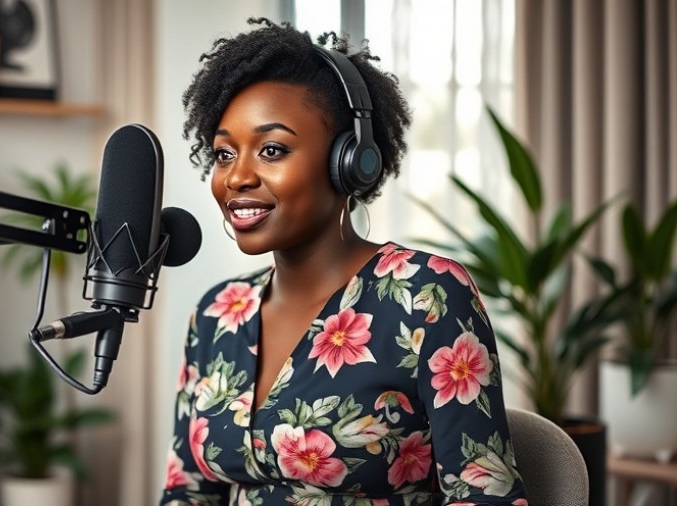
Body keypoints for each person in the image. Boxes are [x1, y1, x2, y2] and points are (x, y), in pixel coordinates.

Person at [160, 17, 529, 506]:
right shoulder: (216, 314)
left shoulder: (427, 296)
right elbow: (187, 491)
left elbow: (485, 495)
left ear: (349, 161)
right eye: (225, 154)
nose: (237, 177)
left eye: (272, 149)